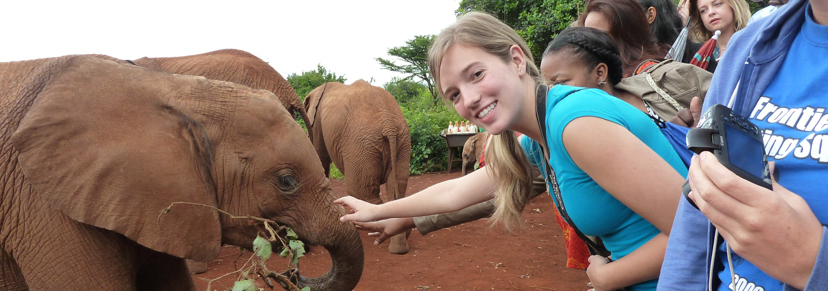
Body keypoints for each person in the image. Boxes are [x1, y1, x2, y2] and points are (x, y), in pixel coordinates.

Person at [335, 12, 687, 291]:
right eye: (454, 94)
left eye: (476, 74)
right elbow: (457, 191)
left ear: (517, 60)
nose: (469, 100)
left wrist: (610, 276)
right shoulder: (536, 137)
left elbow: (696, 224)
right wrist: (379, 210)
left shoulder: (573, 122)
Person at [657, 0, 828, 289]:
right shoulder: (747, 46)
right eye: (703, 9)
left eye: (718, 3)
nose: (710, 12)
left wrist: (813, 264)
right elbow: (695, 223)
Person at [540, 27, 710, 123]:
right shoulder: (569, 127)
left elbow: (732, 103)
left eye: (560, 82)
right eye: (548, 86)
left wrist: (702, 133)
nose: (553, 92)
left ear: (600, 73)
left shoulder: (671, 78)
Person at [577, 0, 671, 77]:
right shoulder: (593, 70)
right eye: (587, 34)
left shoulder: (649, 73)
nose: (591, 41)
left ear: (627, 35)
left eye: (600, 35)